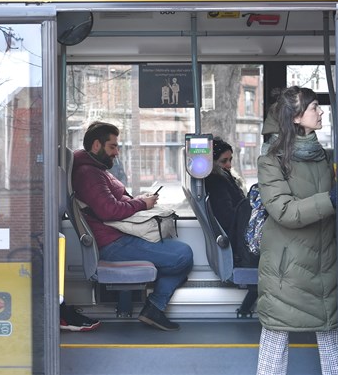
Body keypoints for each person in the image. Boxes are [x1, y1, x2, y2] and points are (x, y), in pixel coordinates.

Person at [254, 86, 338, 375]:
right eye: (315, 107)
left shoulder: (326, 155)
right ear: (297, 117)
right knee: (278, 330)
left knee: (331, 328)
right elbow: (284, 211)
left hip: (325, 255)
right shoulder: (270, 161)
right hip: (286, 263)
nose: (321, 113)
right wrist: (332, 200)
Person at [72, 121, 193, 331]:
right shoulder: (88, 174)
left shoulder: (96, 170)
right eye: (113, 146)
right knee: (183, 255)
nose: (116, 152)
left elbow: (109, 203)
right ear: (96, 146)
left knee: (177, 251)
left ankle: (154, 308)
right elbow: (107, 210)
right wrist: (141, 204)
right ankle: (154, 307)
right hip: (112, 243)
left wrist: (136, 200)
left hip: (117, 236)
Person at [204, 136, 258, 313]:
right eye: (223, 161)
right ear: (212, 162)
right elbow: (229, 218)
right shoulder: (217, 183)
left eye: (230, 160)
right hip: (239, 241)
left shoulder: (223, 178)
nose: (228, 165)